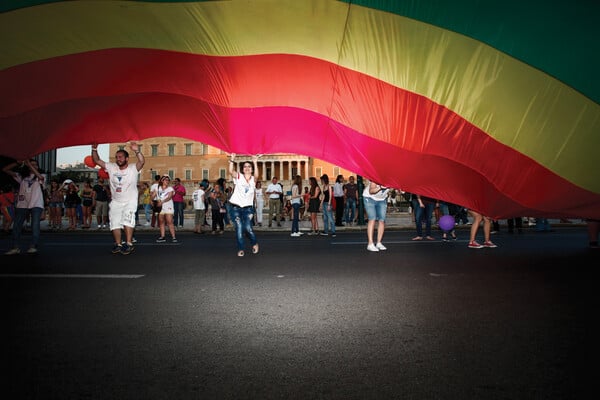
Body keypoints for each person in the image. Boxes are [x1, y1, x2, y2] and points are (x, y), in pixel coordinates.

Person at [91, 141, 145, 255]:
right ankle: (118, 244)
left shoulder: (132, 168)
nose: (118, 159)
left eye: (120, 157)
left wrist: (137, 150)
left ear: (126, 158)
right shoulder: (111, 167)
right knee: (114, 223)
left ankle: (129, 243)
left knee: (128, 221)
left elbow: (142, 161)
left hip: (130, 200)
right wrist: (94, 149)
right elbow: (96, 160)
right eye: (116, 157)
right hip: (116, 201)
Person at [3, 159, 45, 255]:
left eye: (35, 165)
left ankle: (33, 246)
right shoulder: (21, 177)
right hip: (22, 204)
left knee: (35, 226)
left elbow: (40, 177)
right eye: (31, 164)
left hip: (36, 204)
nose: (33, 166)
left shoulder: (41, 176)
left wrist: (29, 164)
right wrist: (17, 163)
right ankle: (15, 247)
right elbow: (5, 169)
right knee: (17, 226)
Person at [228, 154, 260, 257]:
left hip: (248, 209)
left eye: (249, 167)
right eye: (245, 166)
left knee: (248, 228)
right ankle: (241, 248)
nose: (247, 168)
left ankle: (254, 243)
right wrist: (232, 159)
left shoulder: (253, 180)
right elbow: (230, 171)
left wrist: (254, 161)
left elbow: (257, 175)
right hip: (235, 207)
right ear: (242, 169)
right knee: (239, 227)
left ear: (251, 169)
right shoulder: (239, 177)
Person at [363, 180, 389, 252]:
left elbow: (398, 190)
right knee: (372, 218)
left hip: (382, 199)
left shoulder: (393, 180)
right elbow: (371, 191)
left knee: (382, 220)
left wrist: (401, 191)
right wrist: (380, 187)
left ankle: (379, 243)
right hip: (369, 198)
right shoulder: (376, 178)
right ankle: (370, 244)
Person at [155, 175, 177, 243]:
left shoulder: (170, 188)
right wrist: (156, 202)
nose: (167, 181)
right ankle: (162, 236)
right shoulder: (158, 188)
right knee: (161, 222)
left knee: (169, 222)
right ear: (162, 180)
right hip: (161, 208)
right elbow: (155, 196)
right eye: (166, 180)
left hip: (168, 206)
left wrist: (162, 202)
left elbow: (169, 197)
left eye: (168, 180)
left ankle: (173, 237)